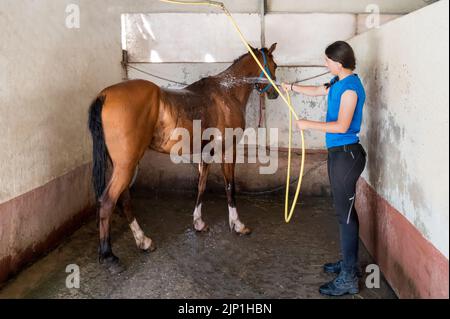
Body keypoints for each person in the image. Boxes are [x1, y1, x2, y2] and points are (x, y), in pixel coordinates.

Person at [282, 41, 367, 296]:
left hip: (347, 156)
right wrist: (292, 87)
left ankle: (349, 277)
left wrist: (308, 124)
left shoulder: (351, 88)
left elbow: (342, 126)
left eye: (328, 60)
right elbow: (319, 90)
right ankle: (348, 263)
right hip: (338, 155)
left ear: (338, 63)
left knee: (345, 215)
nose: (325, 64)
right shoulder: (337, 81)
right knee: (344, 212)